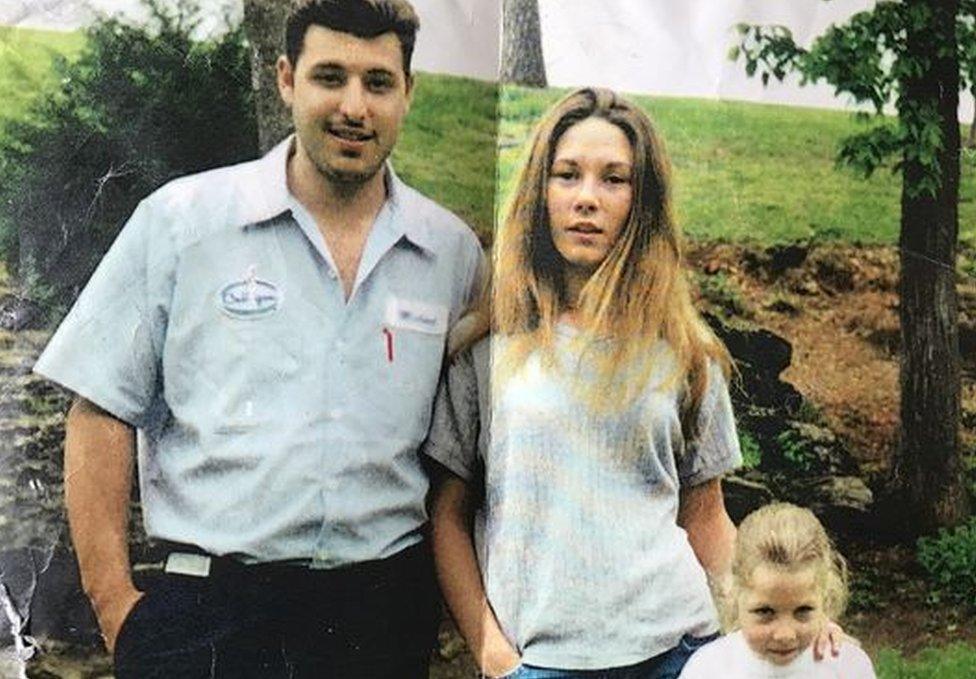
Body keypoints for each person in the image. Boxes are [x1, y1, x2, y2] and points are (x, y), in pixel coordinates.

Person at [33, 1, 483, 677]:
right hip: (209, 615)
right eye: (329, 77)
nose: (354, 106)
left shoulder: (450, 253)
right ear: (285, 79)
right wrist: (117, 608)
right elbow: (100, 408)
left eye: (378, 82)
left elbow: (465, 439)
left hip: (377, 620)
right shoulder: (183, 223)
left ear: (408, 93)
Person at [678, 503, 876, 678]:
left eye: (803, 611)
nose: (785, 635)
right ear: (735, 596)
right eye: (765, 612)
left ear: (825, 597)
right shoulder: (707, 669)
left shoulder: (848, 667)